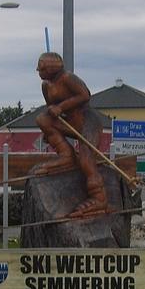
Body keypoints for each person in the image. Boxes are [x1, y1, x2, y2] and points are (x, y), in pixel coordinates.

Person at [34, 52, 108, 217]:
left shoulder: (68, 78)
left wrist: (61, 107)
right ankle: (66, 155)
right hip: (69, 123)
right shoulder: (46, 85)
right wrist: (51, 130)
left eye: (42, 68)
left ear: (51, 68)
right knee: (42, 119)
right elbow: (51, 109)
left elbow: (85, 95)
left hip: (87, 122)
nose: (39, 72)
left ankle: (99, 198)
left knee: (86, 159)